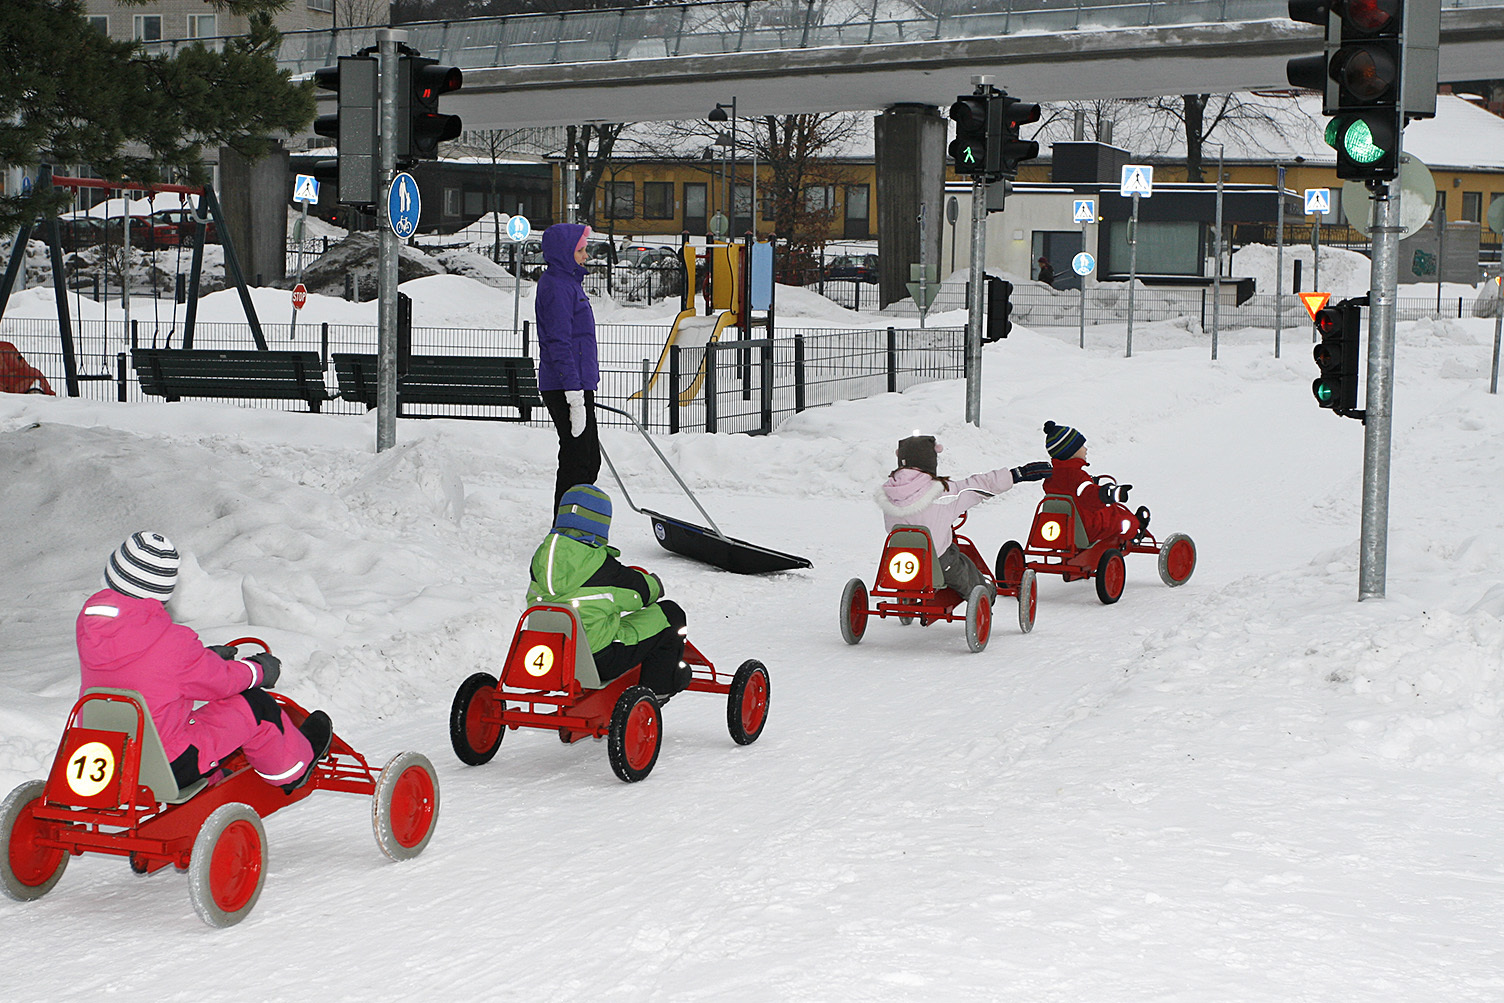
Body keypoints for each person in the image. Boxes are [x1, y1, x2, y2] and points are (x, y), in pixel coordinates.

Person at [75, 531, 333, 795]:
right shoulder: (173, 643)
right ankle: (293, 770)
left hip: (109, 756)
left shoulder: (89, 625)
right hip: (167, 766)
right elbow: (220, 683)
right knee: (256, 706)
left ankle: (212, 779)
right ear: (163, 590)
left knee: (180, 717)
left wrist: (204, 657)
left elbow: (146, 669)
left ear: (111, 574)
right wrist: (259, 670)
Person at [526, 484, 692, 698]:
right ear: (600, 524)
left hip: (551, 654)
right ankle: (658, 689)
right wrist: (654, 585)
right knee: (670, 615)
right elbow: (639, 593)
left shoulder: (541, 559)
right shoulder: (602, 566)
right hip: (599, 659)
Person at [875, 434, 1053, 602]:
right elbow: (977, 485)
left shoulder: (889, 492)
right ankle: (987, 593)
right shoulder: (942, 493)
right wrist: (1016, 475)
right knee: (962, 567)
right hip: (937, 560)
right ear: (930, 461)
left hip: (898, 557)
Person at [535, 222, 601, 512]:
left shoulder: (569, 284)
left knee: (588, 458)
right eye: (581, 250)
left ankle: (575, 520)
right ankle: (565, 528)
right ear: (565, 252)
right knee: (577, 460)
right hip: (565, 386)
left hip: (577, 383)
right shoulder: (557, 287)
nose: (586, 256)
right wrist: (573, 393)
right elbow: (559, 342)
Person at [1040, 421, 1149, 543]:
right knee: (1115, 516)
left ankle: (1135, 524)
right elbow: (1089, 495)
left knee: (1110, 512)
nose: (1085, 449)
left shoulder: (1051, 476)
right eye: (1081, 446)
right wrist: (1110, 493)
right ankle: (1136, 530)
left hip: (1061, 527)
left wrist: (1091, 481)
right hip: (1086, 528)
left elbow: (1070, 487)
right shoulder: (1078, 477)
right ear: (1071, 453)